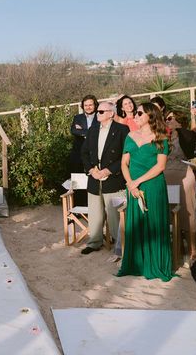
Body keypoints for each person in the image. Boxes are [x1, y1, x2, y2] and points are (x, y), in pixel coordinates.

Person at [117, 102, 174, 281]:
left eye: (139, 113)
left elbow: (160, 166)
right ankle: (137, 264)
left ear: (150, 115)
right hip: (133, 188)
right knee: (136, 225)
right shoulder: (130, 136)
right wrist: (130, 184)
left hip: (153, 186)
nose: (135, 115)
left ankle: (155, 264)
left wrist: (137, 182)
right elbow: (124, 163)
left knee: (154, 224)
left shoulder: (161, 137)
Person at [80, 102, 129, 256]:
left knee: (115, 215)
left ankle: (119, 244)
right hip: (94, 179)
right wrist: (91, 170)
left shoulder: (122, 130)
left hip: (113, 180)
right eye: (98, 112)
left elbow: (125, 155)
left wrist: (109, 170)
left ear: (111, 113)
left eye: (101, 111)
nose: (98, 114)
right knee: (95, 213)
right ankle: (94, 242)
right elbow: (84, 153)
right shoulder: (92, 130)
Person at [162, 110, 196, 265]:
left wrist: (178, 129)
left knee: (187, 211)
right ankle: (173, 246)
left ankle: (192, 249)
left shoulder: (186, 134)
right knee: (168, 211)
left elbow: (190, 140)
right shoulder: (162, 135)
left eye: (170, 118)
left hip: (183, 174)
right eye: (166, 118)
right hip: (164, 175)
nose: (166, 120)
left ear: (179, 120)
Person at [70, 95, 99, 206]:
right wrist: (90, 133)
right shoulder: (77, 117)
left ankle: (95, 206)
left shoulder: (100, 116)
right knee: (78, 181)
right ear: (82, 106)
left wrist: (83, 131)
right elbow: (73, 131)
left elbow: (99, 131)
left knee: (94, 180)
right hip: (79, 154)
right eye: (86, 105)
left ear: (95, 105)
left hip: (95, 154)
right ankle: (80, 205)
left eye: (90, 105)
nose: (88, 107)